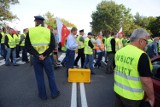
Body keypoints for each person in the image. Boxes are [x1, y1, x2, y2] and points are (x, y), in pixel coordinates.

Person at [114, 28, 154, 107]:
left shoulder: (119, 52)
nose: (146, 44)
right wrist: (151, 98)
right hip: (132, 97)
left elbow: (116, 69)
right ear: (141, 41)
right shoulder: (142, 55)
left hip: (118, 92)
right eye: (146, 42)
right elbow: (146, 81)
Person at [25, 16, 60, 100]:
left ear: (36, 22)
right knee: (51, 76)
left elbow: (28, 46)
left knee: (39, 77)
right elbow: (52, 45)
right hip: (47, 57)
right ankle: (54, 93)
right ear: (43, 22)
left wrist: (38, 55)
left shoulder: (30, 31)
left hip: (36, 58)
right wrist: (44, 55)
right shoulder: (48, 31)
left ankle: (42, 95)